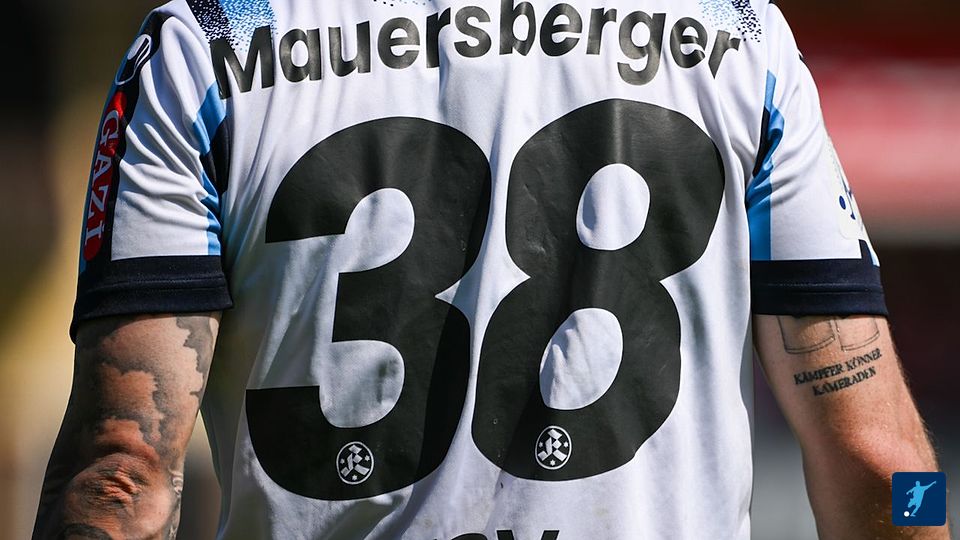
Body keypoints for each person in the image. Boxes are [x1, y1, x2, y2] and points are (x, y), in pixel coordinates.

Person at [32, 0, 949, 538]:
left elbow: (122, 475)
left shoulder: (207, 43)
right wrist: (930, 511)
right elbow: (887, 464)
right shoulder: (737, 37)